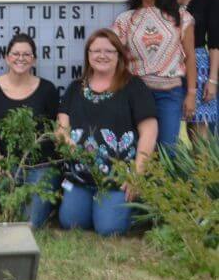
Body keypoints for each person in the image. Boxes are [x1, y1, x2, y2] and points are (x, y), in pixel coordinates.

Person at [57, 29, 158, 236]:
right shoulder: (75, 88)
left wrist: (137, 175)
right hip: (80, 176)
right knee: (70, 223)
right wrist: (65, 140)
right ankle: (92, 205)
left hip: (118, 179)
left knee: (109, 229)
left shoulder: (134, 87)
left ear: (119, 55)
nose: (101, 56)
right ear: (88, 55)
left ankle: (122, 207)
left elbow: (149, 131)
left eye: (109, 51)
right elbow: (62, 124)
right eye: (95, 51)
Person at [113, 0, 196, 149]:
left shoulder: (181, 16)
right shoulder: (125, 20)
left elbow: (190, 56)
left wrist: (191, 93)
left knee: (167, 149)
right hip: (136, 93)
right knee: (137, 148)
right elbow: (114, 54)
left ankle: (165, 180)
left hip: (170, 93)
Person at [0, 33, 60, 228]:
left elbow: (54, 131)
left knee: (29, 224)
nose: (21, 58)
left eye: (26, 54)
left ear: (34, 59)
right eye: (16, 53)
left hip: (40, 166)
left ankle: (39, 206)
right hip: (9, 164)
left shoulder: (48, 89)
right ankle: (21, 203)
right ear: (7, 57)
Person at [173, 0, 219, 139]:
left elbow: (216, 42)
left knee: (198, 135)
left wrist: (213, 79)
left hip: (199, 65)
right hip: (170, 65)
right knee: (168, 131)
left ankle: (201, 173)